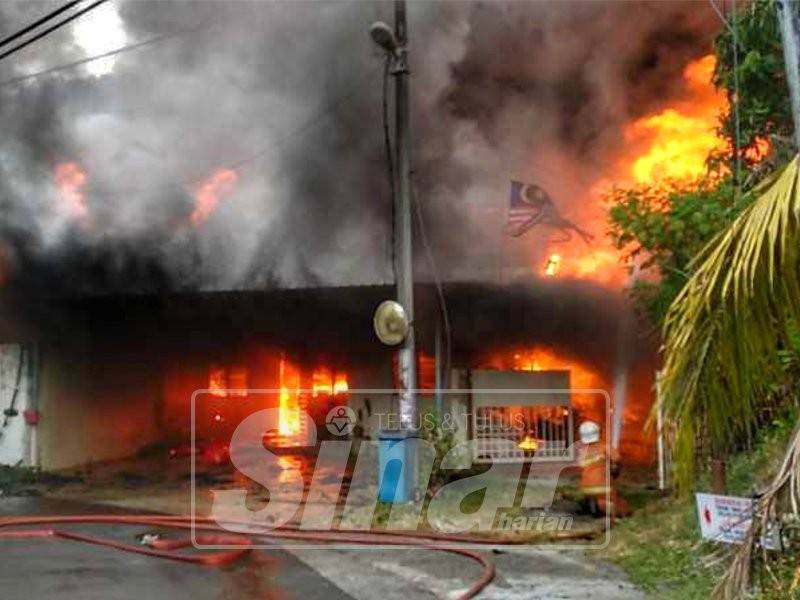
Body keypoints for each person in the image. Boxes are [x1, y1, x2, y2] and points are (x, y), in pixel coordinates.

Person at [578, 421, 631, 518]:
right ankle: (608, 508)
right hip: (604, 487)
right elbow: (617, 459)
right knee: (619, 503)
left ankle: (593, 506)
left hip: (586, 489)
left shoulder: (582, 451)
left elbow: (581, 466)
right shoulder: (605, 446)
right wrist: (615, 471)